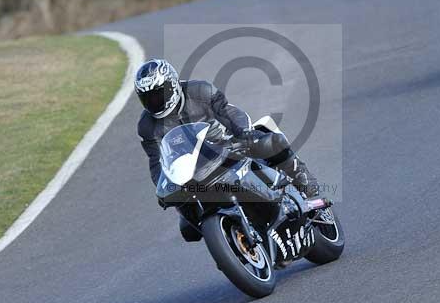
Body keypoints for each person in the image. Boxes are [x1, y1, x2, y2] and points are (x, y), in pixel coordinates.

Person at [135, 58, 319, 241]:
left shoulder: (199, 91)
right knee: (187, 226)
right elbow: (156, 161)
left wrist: (244, 134)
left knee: (270, 143)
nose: (154, 101)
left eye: (158, 94)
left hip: (225, 144)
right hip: (192, 169)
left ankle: (304, 180)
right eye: (147, 98)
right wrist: (162, 187)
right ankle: (234, 239)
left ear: (172, 85)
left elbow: (229, 113)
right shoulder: (147, 126)